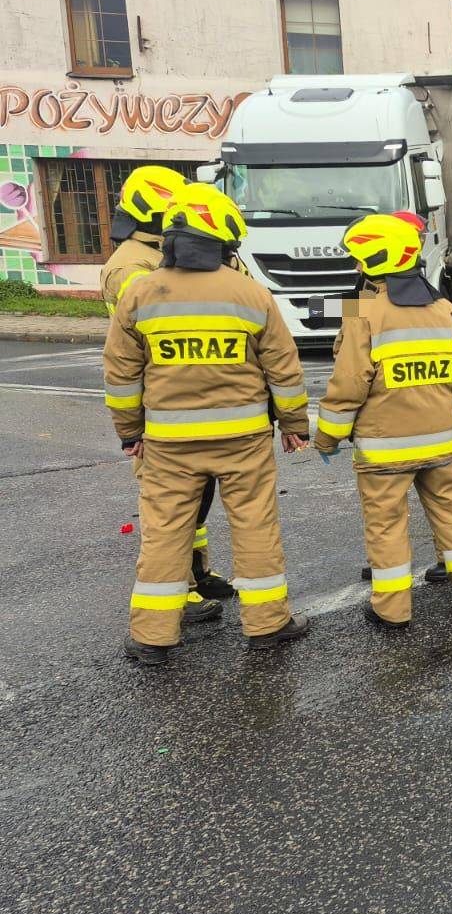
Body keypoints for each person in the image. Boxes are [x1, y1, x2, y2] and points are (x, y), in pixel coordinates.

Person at [103, 185, 312, 664]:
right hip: (243, 441)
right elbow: (283, 369)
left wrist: (129, 431)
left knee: (164, 533)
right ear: (222, 239)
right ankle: (267, 624)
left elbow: (121, 373)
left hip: (169, 443)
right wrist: (294, 424)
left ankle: (153, 636)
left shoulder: (141, 293)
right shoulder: (250, 293)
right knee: (255, 526)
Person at [313, 213, 452, 628]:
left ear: (376, 261)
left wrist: (327, 438)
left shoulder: (365, 314)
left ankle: (392, 610)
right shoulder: (444, 310)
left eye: (359, 260)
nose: (356, 267)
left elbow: (348, 386)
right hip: (440, 445)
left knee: (387, 527)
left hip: (384, 452)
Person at [100, 166, 236, 619]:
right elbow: (159, 324)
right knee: (170, 509)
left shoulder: (162, 253)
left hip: (192, 396)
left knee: (198, 497)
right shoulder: (131, 265)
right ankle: (176, 594)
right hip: (161, 403)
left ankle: (198, 573)